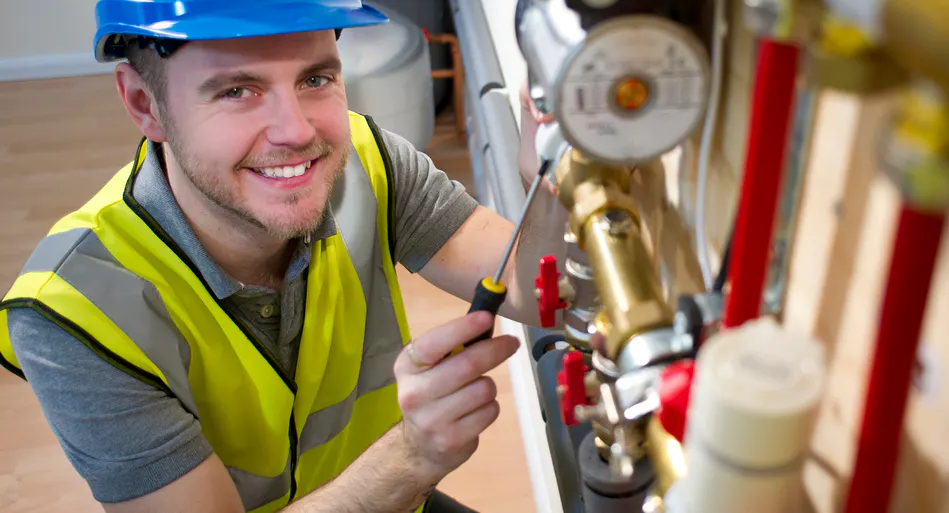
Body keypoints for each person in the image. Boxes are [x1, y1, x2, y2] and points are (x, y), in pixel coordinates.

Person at [0, 0, 560, 511]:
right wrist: (411, 456)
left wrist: (558, 177)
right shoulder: (72, 314)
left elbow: (542, 289)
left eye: (316, 78)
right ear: (144, 103)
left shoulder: (367, 161)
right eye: (236, 91)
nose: (296, 132)